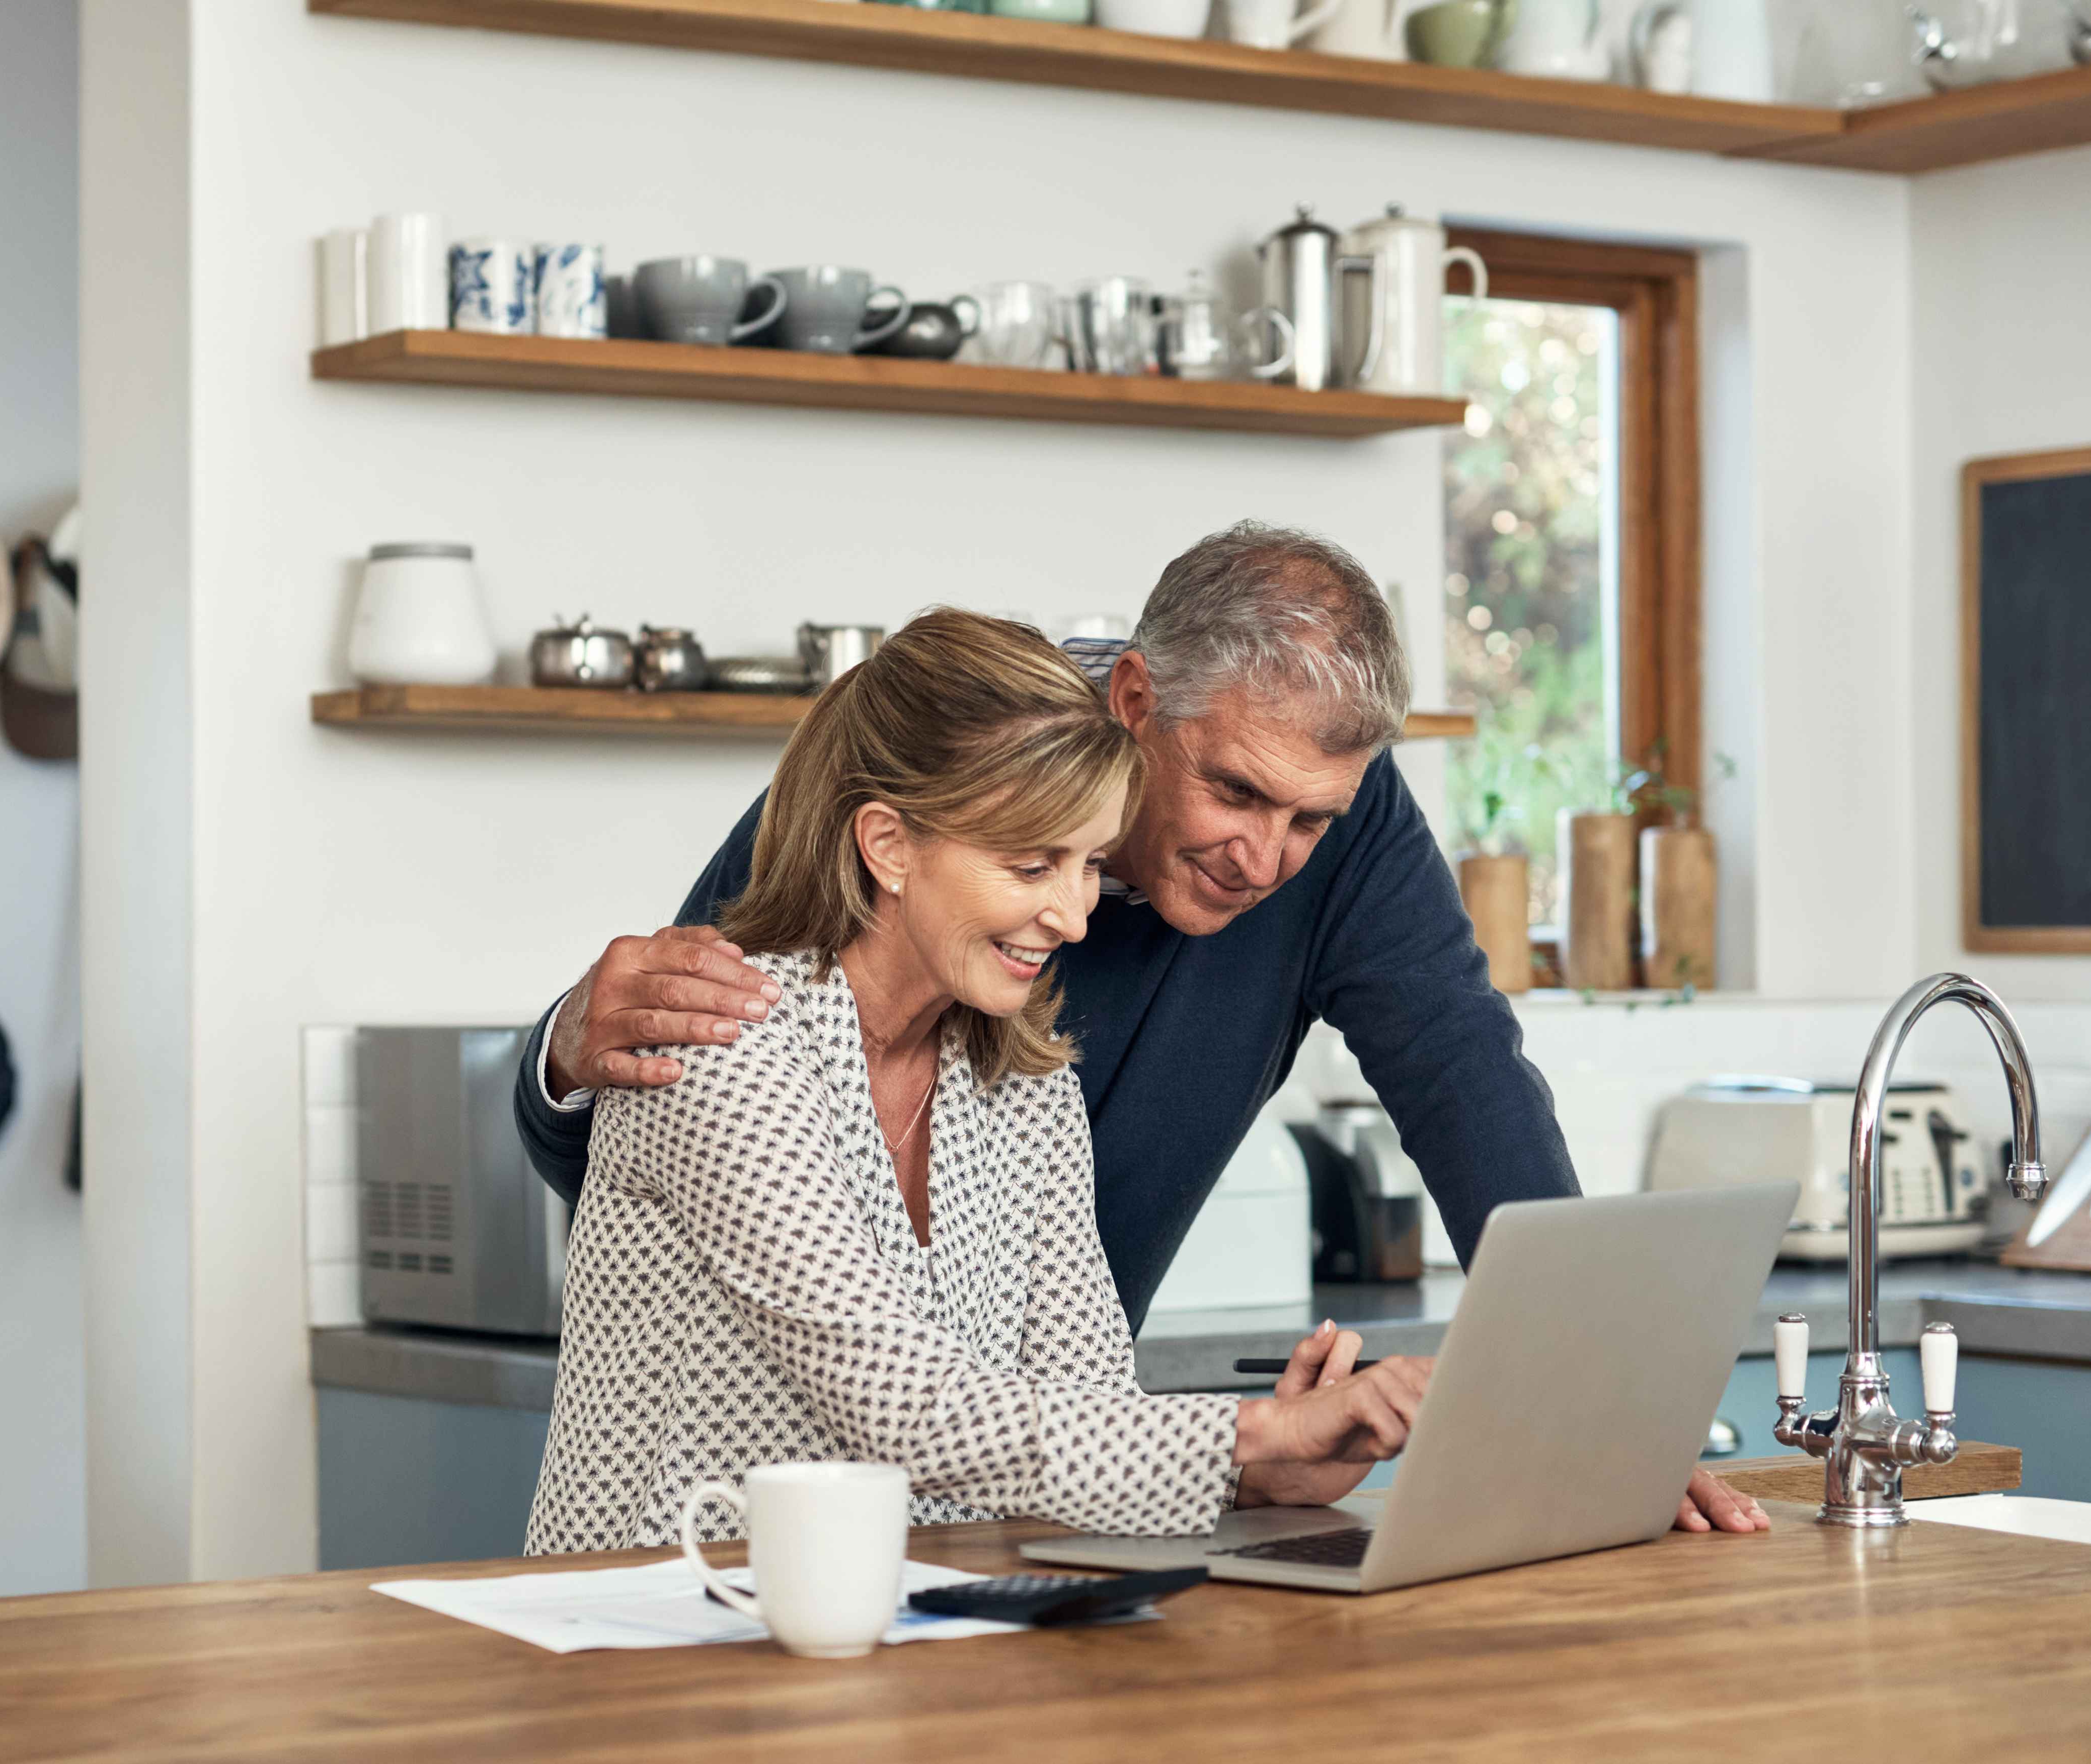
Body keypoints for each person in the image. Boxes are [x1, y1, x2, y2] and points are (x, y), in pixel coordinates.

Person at [519, 523, 1767, 1536]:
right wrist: (572, 1049)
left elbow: (1461, 1075)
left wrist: (1598, 1421)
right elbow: (673, 1065)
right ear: (1132, 702)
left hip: (945, 1571)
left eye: (1307, 822)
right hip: (671, 1589)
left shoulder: (1024, 1069)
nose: (1265, 858)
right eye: (1232, 792)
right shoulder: (912, 787)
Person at [525, 609, 1432, 1552]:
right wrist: (1254, 1431)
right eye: (1030, 863)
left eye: (1086, 864)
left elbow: (1081, 1410)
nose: (1074, 917)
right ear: (888, 846)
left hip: (909, 1632)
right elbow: (903, 1404)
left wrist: (1257, 1474)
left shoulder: (1021, 1076)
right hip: (652, 1627)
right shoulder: (727, 1045)